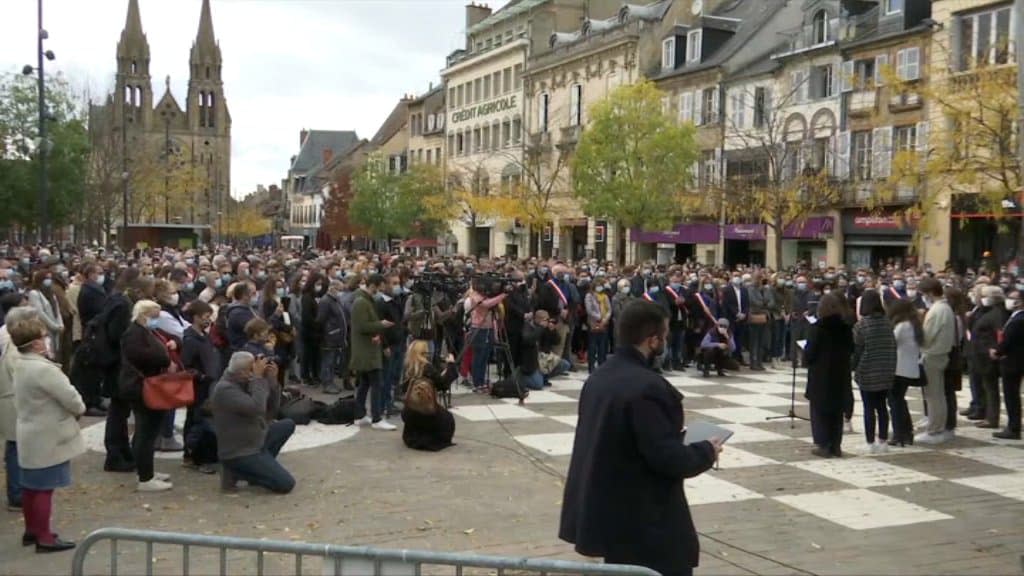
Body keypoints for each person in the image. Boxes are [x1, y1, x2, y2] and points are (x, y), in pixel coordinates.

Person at [559, 300, 723, 576]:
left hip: (611, 509)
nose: (667, 340)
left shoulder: (600, 377)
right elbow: (666, 457)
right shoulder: (647, 387)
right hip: (643, 519)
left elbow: (633, 436)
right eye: (665, 335)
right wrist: (707, 449)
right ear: (652, 340)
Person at [11, 314, 85, 552]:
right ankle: (45, 537)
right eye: (43, 337)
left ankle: (32, 529)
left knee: (31, 487)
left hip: (29, 430)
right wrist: (79, 408)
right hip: (48, 435)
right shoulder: (44, 369)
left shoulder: (19, 363)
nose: (47, 340)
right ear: (35, 343)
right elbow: (70, 397)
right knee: (45, 488)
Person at [211, 352, 296, 493]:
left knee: (287, 425)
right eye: (253, 368)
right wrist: (258, 378)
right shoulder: (224, 389)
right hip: (239, 451)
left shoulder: (245, 381)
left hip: (255, 440)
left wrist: (272, 382)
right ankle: (237, 470)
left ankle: (258, 469)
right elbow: (257, 409)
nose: (258, 369)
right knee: (286, 484)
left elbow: (271, 411)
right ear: (244, 372)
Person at [120, 300, 175, 491]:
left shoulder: (146, 332)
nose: (157, 320)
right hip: (141, 386)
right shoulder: (134, 334)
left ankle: (146, 469)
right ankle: (145, 477)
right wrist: (165, 355)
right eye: (154, 316)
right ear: (144, 314)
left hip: (148, 383)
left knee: (149, 431)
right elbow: (145, 356)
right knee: (145, 431)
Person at [805, 293, 853, 458]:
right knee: (837, 410)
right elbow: (851, 349)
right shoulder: (845, 328)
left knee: (819, 410)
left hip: (821, 374)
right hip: (840, 373)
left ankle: (823, 444)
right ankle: (836, 445)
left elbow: (809, 354)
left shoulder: (817, 329)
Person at [1, 306, 39, 513]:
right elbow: (22, 376)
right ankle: (16, 494)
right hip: (13, 402)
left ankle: (18, 491)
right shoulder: (14, 348)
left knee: (15, 447)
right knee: (16, 448)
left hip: (12, 401)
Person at [852, 291, 896, 454]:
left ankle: (870, 442)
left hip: (868, 370)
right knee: (882, 407)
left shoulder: (861, 325)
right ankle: (883, 441)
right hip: (886, 369)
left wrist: (853, 368)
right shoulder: (888, 323)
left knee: (868, 408)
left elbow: (857, 351)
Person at [180, 300, 221, 473]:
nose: (208, 320)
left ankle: (204, 455)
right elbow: (186, 365)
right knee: (196, 421)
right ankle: (194, 456)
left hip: (208, 385)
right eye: (205, 317)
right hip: (198, 387)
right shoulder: (190, 339)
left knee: (204, 420)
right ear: (195, 317)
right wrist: (201, 376)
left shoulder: (204, 336)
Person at [350, 274, 396, 430]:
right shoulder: (361, 302)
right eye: (381, 286)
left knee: (364, 383)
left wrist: (376, 331)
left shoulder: (365, 300)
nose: (382, 290)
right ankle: (376, 418)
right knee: (376, 383)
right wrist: (380, 324)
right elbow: (362, 326)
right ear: (374, 285)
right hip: (366, 351)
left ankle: (360, 414)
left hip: (368, 348)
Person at [916, 277, 956, 444]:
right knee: (938, 394)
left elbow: (927, 337)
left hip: (932, 355)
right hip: (940, 354)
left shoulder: (937, 310)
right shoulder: (945, 308)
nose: (923, 297)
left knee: (933, 395)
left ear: (931, 293)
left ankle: (934, 429)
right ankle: (938, 426)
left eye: (924, 294)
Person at [970, 286, 1007, 430]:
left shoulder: (998, 314)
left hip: (988, 356)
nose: (982, 298)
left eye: (985, 295)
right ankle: (988, 415)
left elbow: (999, 334)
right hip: (981, 354)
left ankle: (992, 418)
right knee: (986, 387)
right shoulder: (989, 312)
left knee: (991, 388)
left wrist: (995, 349)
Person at [888, 299, 922, 447]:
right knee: (900, 400)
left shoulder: (902, 326)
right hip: (910, 368)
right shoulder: (915, 325)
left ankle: (899, 434)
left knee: (895, 402)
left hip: (898, 368)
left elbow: (891, 341)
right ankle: (907, 432)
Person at [991, 289, 1022, 440]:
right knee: (1012, 395)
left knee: (1011, 396)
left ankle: (1013, 427)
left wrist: (997, 352)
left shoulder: (1018, 320)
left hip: (1013, 362)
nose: (1009, 300)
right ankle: (1013, 425)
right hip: (1014, 361)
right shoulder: (1013, 317)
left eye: (1013, 298)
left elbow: (1008, 340)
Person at [401, 377, 456, 452]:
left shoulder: (442, 416)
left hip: (433, 435)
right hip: (421, 435)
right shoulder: (410, 410)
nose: (419, 390)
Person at [317, 279, 348, 394]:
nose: (341, 292)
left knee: (333, 362)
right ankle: (327, 384)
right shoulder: (325, 301)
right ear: (332, 288)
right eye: (339, 289)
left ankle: (331, 382)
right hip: (329, 337)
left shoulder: (336, 300)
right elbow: (321, 320)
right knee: (328, 361)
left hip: (337, 337)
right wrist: (328, 332)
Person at [584, 277, 612, 374]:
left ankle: (602, 366)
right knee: (592, 346)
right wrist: (599, 317)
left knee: (602, 347)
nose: (599, 288)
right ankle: (591, 367)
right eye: (598, 286)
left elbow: (609, 309)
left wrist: (604, 319)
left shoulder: (605, 296)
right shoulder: (589, 296)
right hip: (593, 323)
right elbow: (589, 310)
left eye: (601, 286)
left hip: (604, 323)